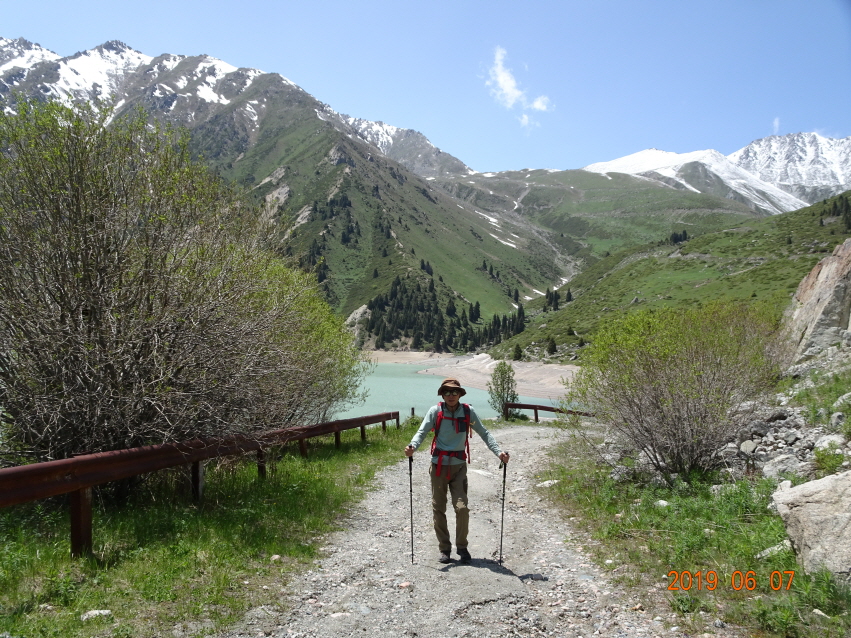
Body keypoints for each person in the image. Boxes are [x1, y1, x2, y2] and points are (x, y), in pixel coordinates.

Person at [404, 377, 510, 564]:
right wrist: (412, 446)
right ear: (442, 394)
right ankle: (444, 549)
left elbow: (484, 433)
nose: (451, 395)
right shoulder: (435, 411)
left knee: (462, 508)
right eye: (447, 392)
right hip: (438, 466)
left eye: (454, 392)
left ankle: (462, 547)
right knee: (439, 508)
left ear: (460, 394)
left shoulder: (468, 412)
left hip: (459, 466)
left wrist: (499, 453)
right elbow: (422, 432)